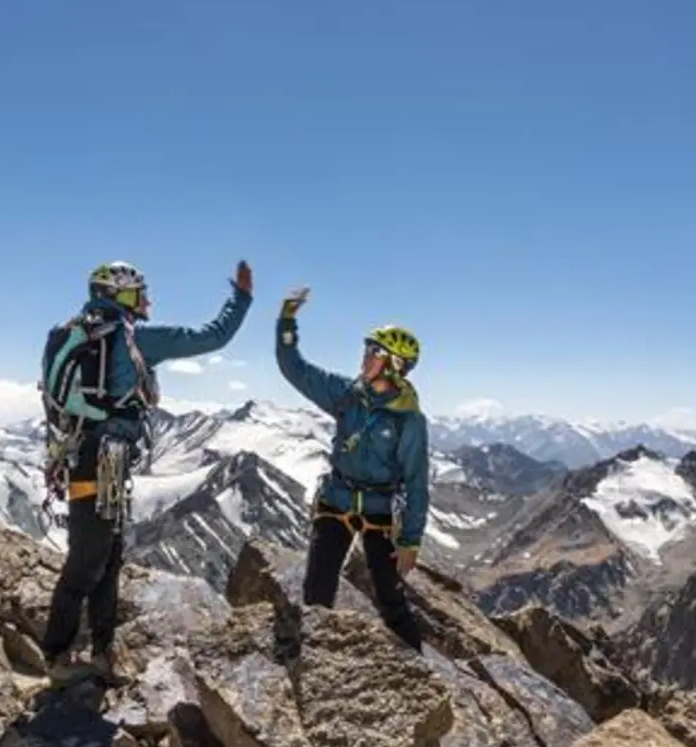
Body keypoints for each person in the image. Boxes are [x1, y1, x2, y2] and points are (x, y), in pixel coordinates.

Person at [39, 259, 252, 683]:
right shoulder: (133, 339)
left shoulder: (79, 333)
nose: (148, 301)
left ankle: (102, 652)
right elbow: (212, 336)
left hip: (86, 455)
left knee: (107, 554)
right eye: (140, 293)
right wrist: (241, 299)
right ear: (119, 293)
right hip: (105, 458)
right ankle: (58, 655)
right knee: (90, 559)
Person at [274, 285, 427, 651]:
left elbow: (417, 481)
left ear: (394, 365)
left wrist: (411, 540)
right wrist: (287, 321)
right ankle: (311, 659)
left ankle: (418, 664)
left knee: (391, 601)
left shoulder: (408, 419)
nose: (365, 357)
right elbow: (295, 369)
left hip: (379, 512)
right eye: (367, 349)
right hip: (336, 501)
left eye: (374, 352)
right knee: (316, 590)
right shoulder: (347, 394)